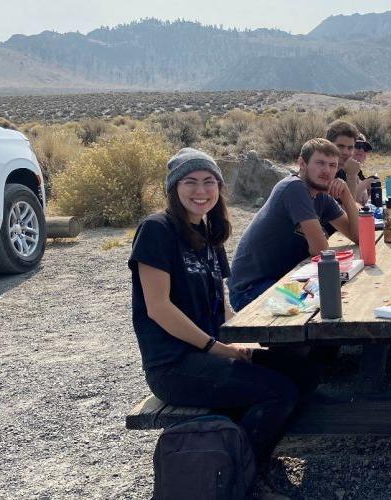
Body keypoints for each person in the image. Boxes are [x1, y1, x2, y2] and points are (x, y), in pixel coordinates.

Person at [129, 147, 313, 471]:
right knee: (279, 392)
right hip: (174, 365)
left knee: (301, 366)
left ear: (219, 188)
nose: (201, 191)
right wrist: (217, 348)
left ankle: (240, 449)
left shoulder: (209, 233)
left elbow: (221, 307)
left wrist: (245, 342)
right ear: (173, 188)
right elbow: (158, 308)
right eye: (190, 182)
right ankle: (236, 472)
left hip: (210, 351)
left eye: (209, 181)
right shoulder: (156, 230)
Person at [228, 138, 359, 312]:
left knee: (342, 298)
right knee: (328, 306)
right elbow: (321, 251)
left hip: (286, 280)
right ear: (302, 164)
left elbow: (358, 237)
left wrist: (347, 197)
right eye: (320, 163)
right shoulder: (294, 188)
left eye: (332, 166)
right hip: (252, 288)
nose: (327, 171)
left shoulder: (321, 197)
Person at [325, 119, 362, 200]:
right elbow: (348, 211)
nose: (345, 152)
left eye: (350, 148)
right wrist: (352, 177)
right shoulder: (320, 173)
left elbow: (352, 208)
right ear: (328, 145)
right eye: (340, 146)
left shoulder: (344, 171)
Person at [351, 133, 377, 205]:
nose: (361, 150)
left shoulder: (358, 172)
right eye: (358, 146)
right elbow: (350, 198)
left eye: (365, 148)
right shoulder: (342, 171)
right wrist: (367, 182)